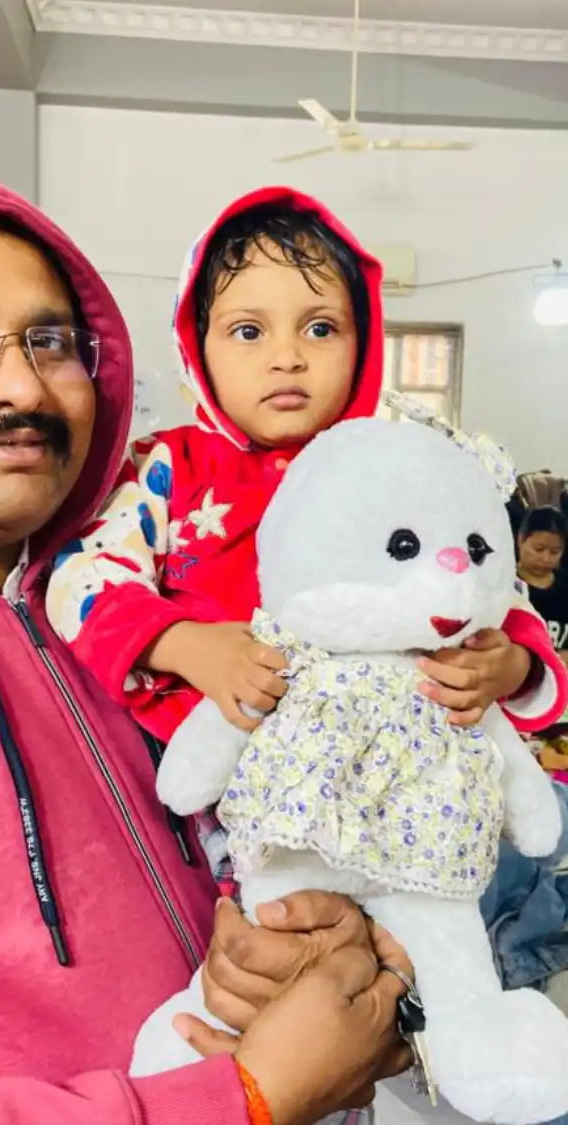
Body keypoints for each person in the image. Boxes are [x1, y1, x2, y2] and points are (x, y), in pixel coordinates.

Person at [0, 166, 415, 1125]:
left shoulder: (113, 604)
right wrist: (243, 1098)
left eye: (52, 341)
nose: (19, 383)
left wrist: (283, 943)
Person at [46, 187, 567, 884]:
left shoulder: (403, 466)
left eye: (320, 328)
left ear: (364, 341)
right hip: (206, 791)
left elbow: (490, 584)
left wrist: (513, 665)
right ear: (196, 347)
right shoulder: (167, 467)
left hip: (393, 789)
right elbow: (82, 579)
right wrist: (185, 643)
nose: (287, 356)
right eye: (248, 331)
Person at [518, 507, 568, 663]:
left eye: (554, 552)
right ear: (521, 540)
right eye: (538, 549)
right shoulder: (505, 584)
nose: (546, 558)